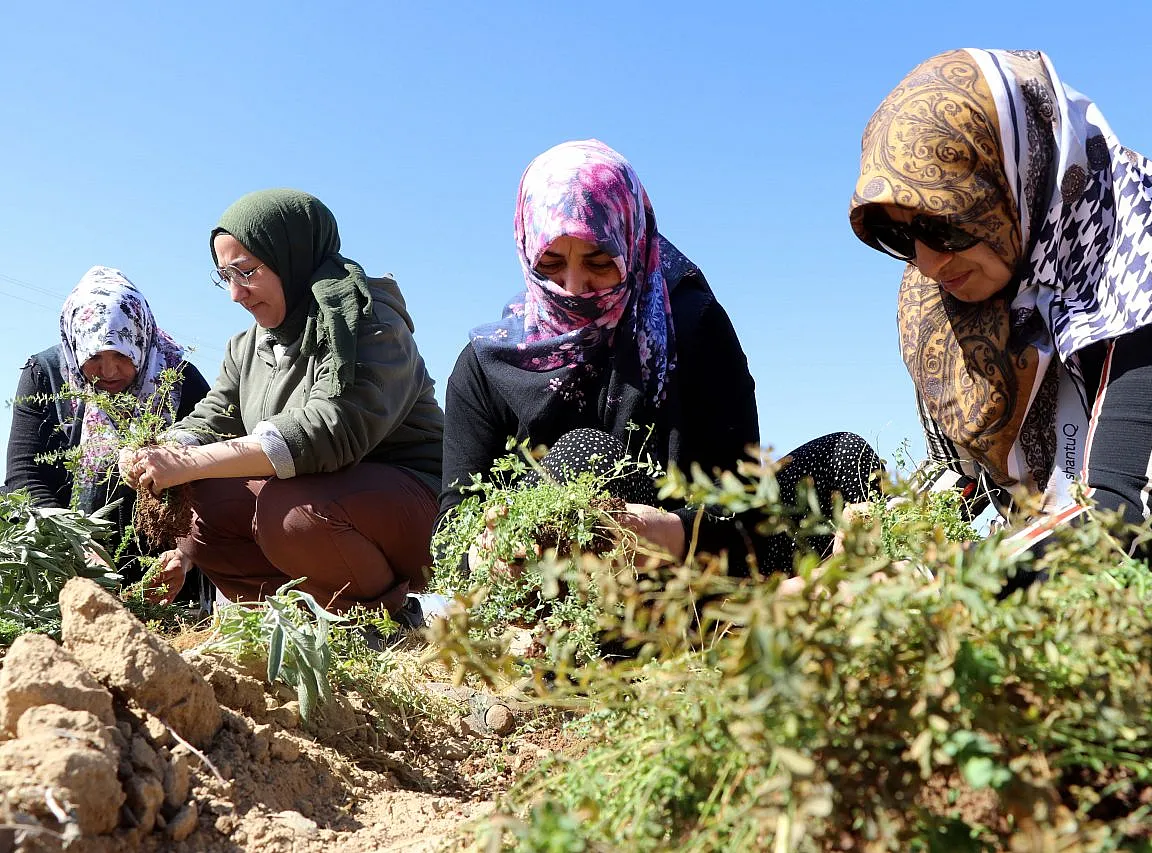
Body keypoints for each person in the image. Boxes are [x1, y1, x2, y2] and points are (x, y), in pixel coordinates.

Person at [848, 48, 1152, 577]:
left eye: (944, 222)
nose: (929, 261)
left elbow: (1125, 515)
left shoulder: (1147, 237)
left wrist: (921, 586)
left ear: (1010, 182)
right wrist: (876, 545)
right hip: (1058, 561)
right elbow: (959, 477)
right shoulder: (940, 298)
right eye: (897, 235)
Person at [441, 139, 881, 574]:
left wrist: (672, 532)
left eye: (598, 261)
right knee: (582, 455)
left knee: (844, 458)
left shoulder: (692, 326)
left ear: (631, 243)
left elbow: (742, 497)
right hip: (561, 597)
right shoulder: (490, 365)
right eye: (551, 264)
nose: (574, 287)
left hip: (695, 566)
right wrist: (489, 555)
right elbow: (451, 538)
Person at [119, 189, 446, 622]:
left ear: (291, 256)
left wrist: (194, 461)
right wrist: (165, 450)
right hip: (319, 502)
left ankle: (382, 616)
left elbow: (331, 429)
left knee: (289, 512)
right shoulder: (246, 347)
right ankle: (301, 618)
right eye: (225, 277)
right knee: (202, 507)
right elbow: (214, 416)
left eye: (247, 272)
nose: (236, 294)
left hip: (412, 508)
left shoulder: (365, 319)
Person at [4, 266, 211, 592]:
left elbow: (216, 477)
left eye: (122, 354)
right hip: (65, 561)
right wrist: (76, 544)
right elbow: (23, 476)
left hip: (162, 577)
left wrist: (185, 554)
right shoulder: (45, 375)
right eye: (95, 355)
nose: (109, 370)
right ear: (75, 347)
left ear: (142, 340)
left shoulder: (179, 380)